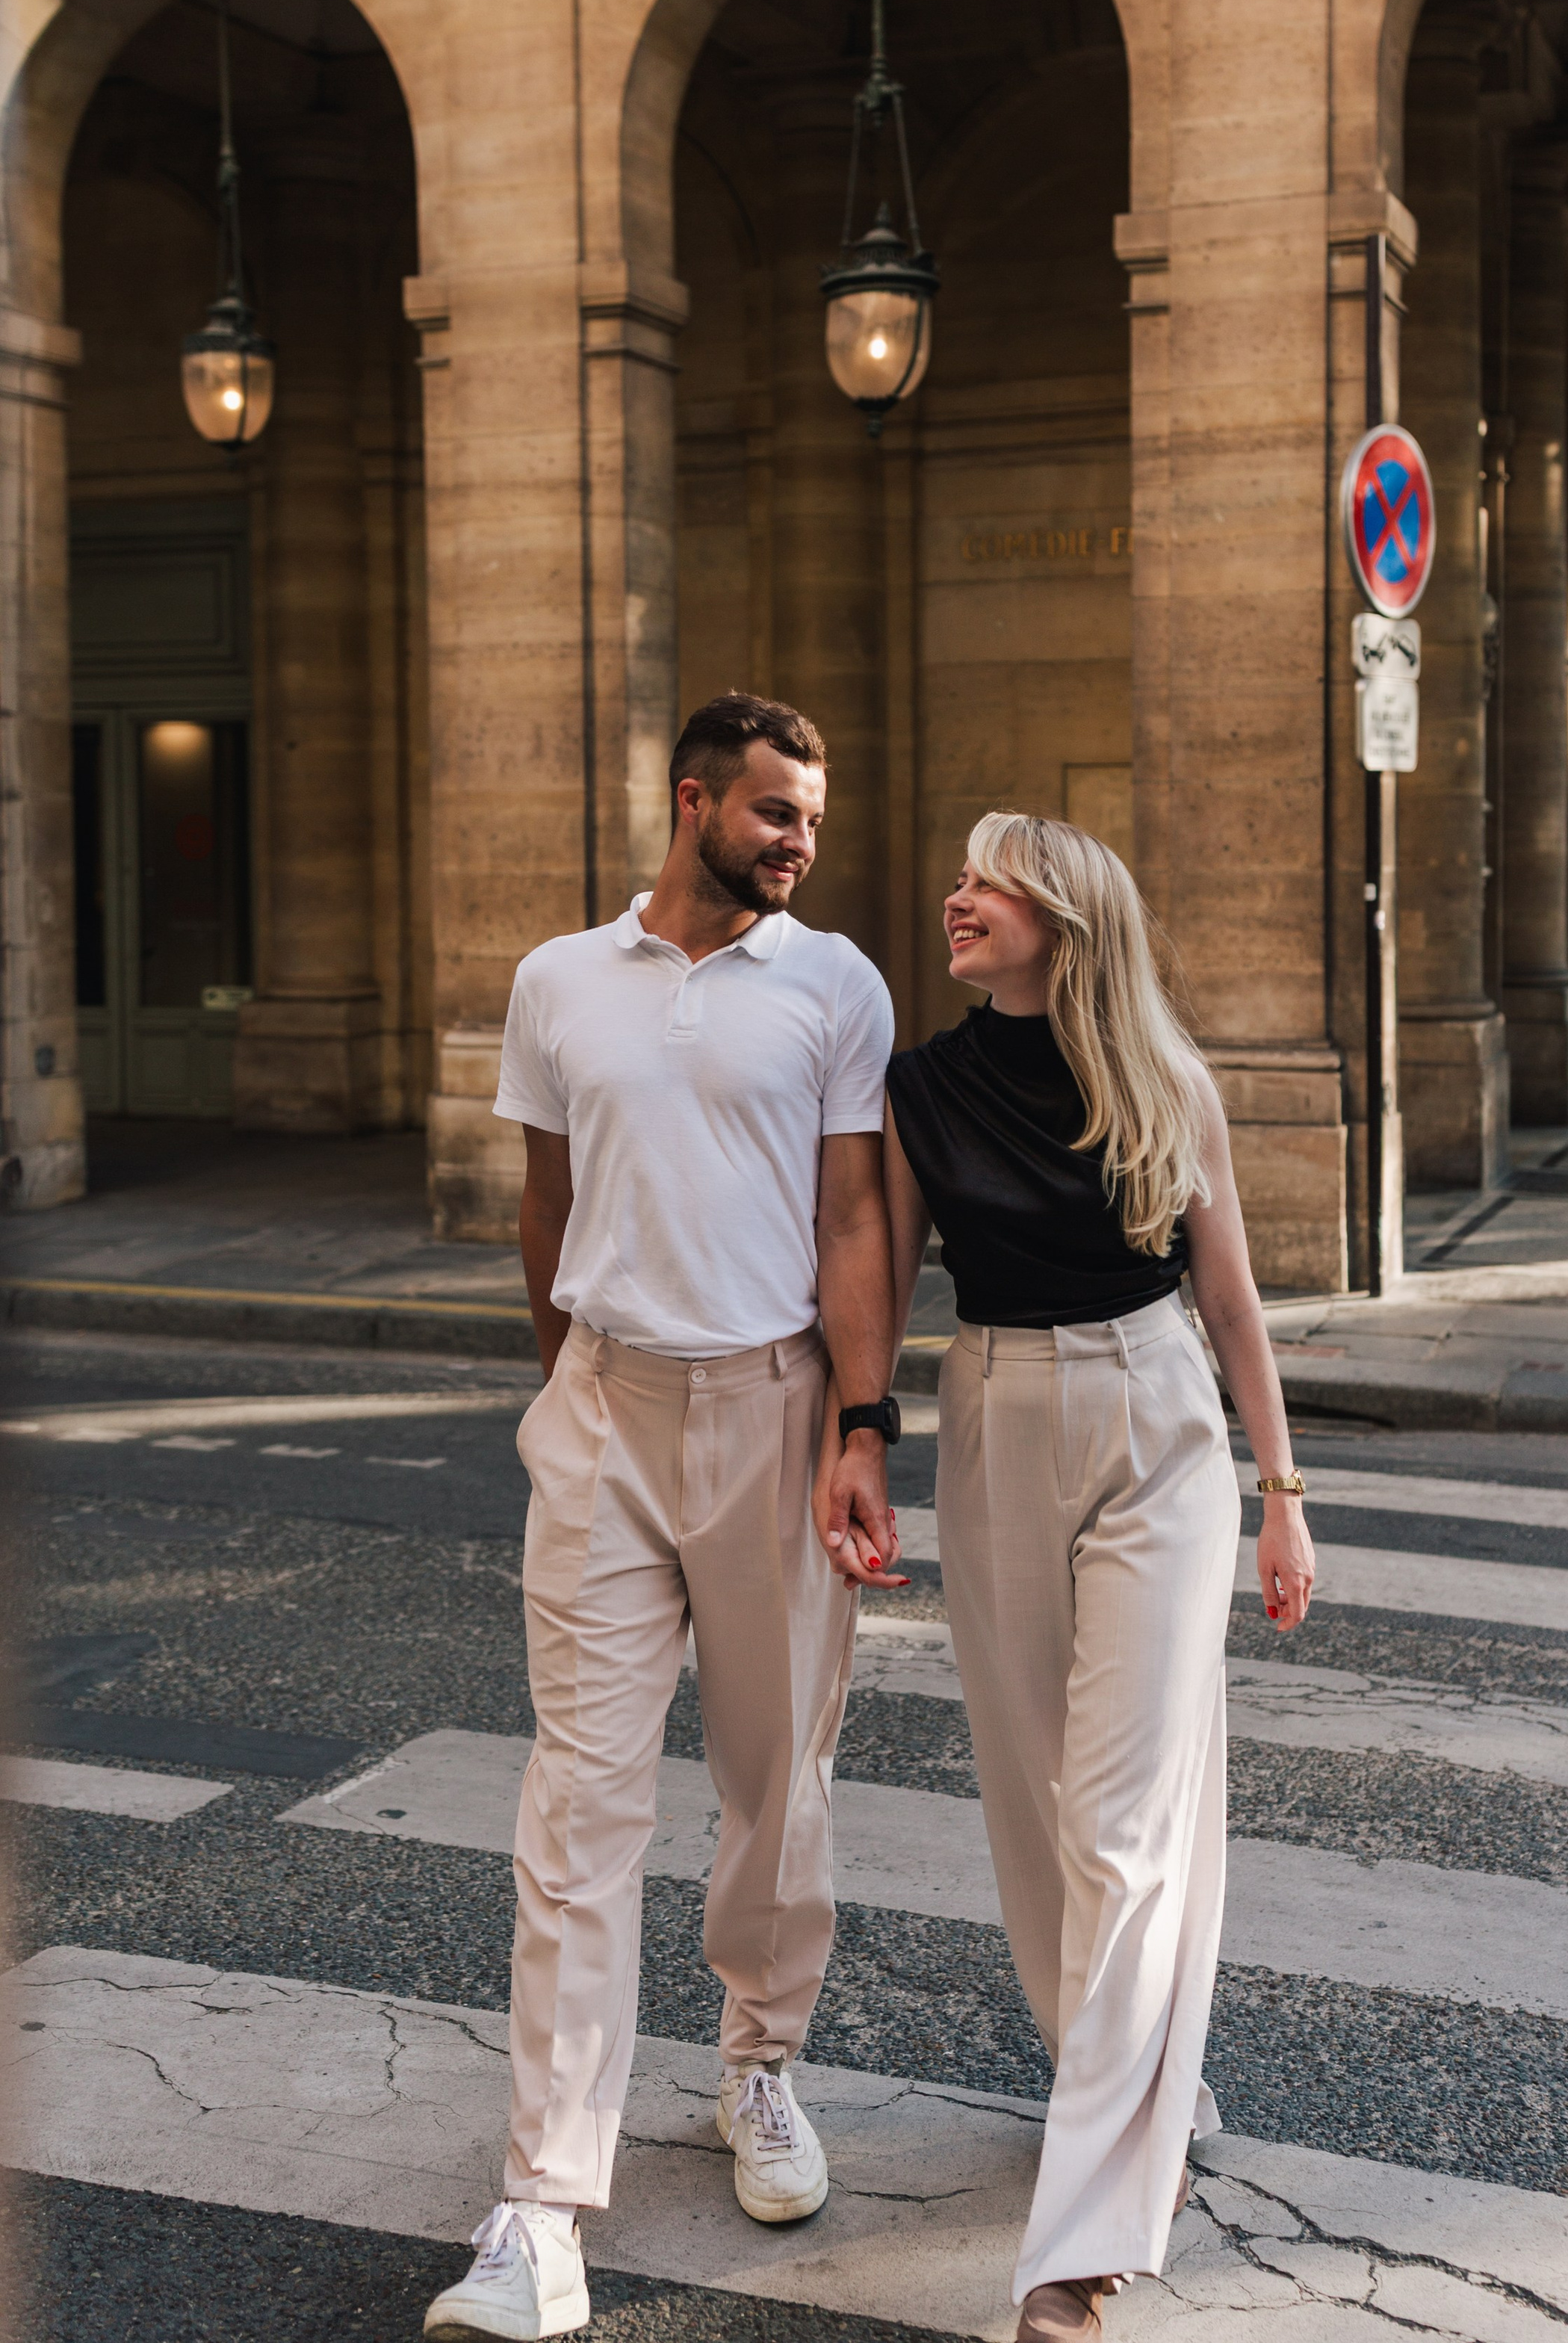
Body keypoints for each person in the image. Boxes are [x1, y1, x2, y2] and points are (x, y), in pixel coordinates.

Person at [426, 693, 905, 2343]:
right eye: (775, 811)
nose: (799, 842)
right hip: (606, 1417)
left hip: (777, 1411)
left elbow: (854, 1218)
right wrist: (571, 1385)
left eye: (813, 819)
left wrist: (860, 1424)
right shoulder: (559, 979)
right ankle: (542, 2205)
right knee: (577, 1804)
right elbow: (545, 1202)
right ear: (694, 800)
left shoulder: (836, 982)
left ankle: (758, 2067)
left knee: (776, 1785)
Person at [882, 814, 1316, 2343]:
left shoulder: (1165, 1081)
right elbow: (872, 1272)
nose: (957, 896)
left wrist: (1282, 1499)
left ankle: (1073, 2258)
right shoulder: (920, 1087)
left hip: (1156, 1419)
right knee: (1033, 1797)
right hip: (993, 1404)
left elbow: (1232, 1301)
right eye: (959, 875)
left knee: (1123, 1823)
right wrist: (849, 1434)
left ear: (1062, 917)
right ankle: (1125, 2079)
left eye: (987, 879)